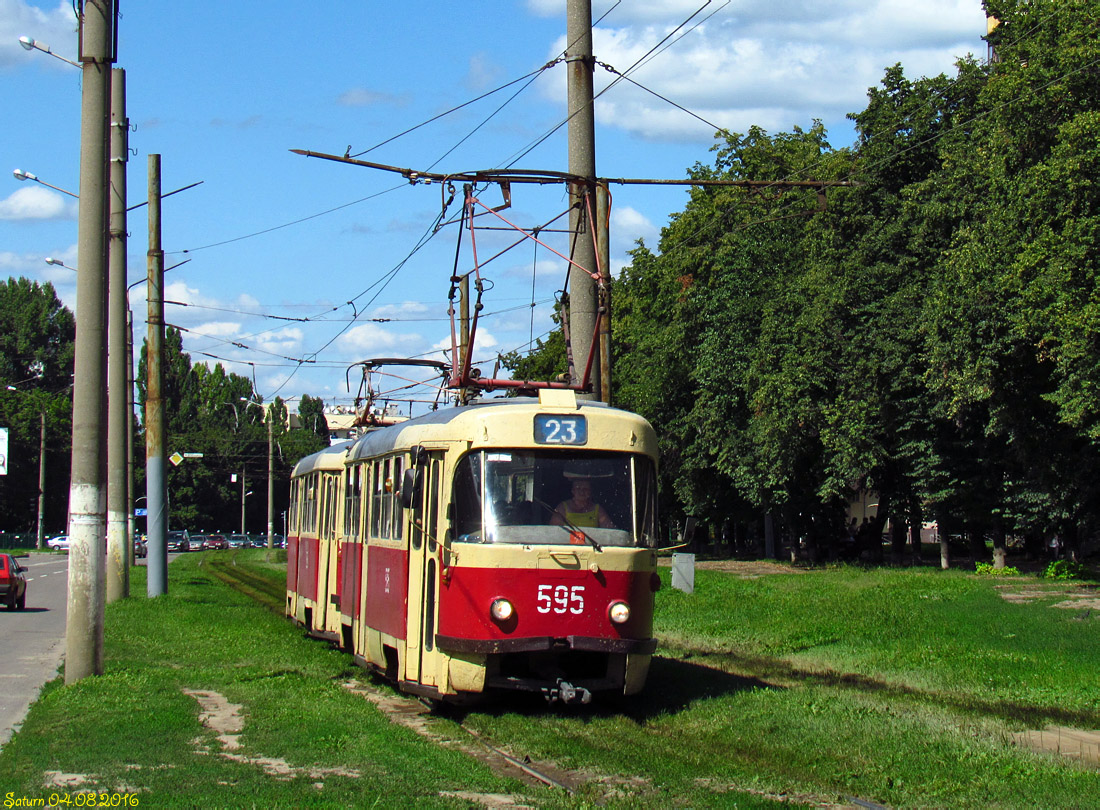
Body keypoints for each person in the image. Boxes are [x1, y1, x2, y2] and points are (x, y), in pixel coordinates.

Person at [550, 477, 615, 529]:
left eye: (585, 489)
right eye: (578, 488)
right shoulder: (563, 508)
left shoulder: (597, 509)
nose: (581, 492)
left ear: (589, 492)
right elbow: (554, 532)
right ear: (573, 491)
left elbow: (609, 530)